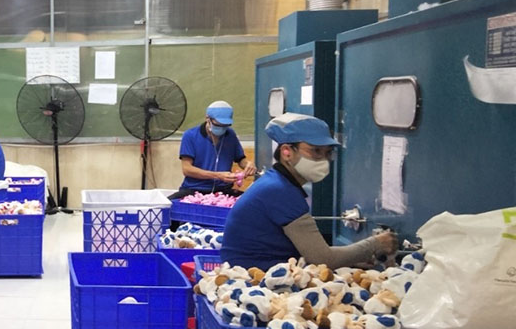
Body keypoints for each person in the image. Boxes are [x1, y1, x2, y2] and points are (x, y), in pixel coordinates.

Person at [220, 113, 397, 270]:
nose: (323, 159)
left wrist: (350, 258)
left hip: (259, 268)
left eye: (328, 153)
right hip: (254, 277)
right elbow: (323, 258)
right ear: (287, 152)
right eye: (315, 151)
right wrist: (376, 243)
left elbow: (312, 252)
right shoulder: (279, 191)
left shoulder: (277, 183)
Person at [170, 101, 256, 200]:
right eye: (218, 125)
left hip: (223, 190)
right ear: (207, 119)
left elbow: (241, 159)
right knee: (169, 204)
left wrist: (248, 165)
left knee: (252, 202)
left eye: (225, 126)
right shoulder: (190, 136)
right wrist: (217, 175)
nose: (222, 129)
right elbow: (187, 169)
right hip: (195, 189)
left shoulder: (230, 135)